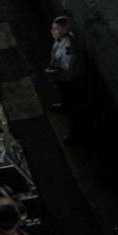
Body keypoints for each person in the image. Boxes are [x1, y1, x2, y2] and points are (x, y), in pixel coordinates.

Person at [45, 16, 81, 144]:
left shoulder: (68, 49)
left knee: (72, 106)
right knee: (64, 98)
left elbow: (65, 69)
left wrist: (50, 72)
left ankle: (75, 132)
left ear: (64, 31)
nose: (52, 31)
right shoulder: (61, 39)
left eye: (56, 29)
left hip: (68, 80)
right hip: (61, 78)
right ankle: (64, 107)